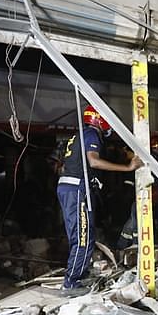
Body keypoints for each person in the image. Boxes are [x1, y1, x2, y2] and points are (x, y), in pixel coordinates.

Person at [58, 104, 142, 289]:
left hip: (70, 189)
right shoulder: (91, 134)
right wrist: (128, 167)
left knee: (79, 236)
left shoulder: (78, 135)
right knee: (83, 239)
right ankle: (72, 282)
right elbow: (93, 161)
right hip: (78, 190)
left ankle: (79, 273)